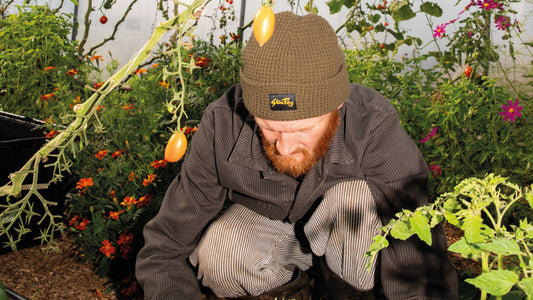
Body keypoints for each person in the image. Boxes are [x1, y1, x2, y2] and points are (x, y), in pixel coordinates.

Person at [135, 11, 458, 300]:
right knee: (219, 250)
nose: (285, 147)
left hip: (353, 251)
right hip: (275, 240)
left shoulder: (374, 124)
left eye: (304, 129)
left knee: (355, 199)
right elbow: (166, 246)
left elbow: (418, 246)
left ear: (338, 106)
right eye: (268, 127)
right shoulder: (223, 123)